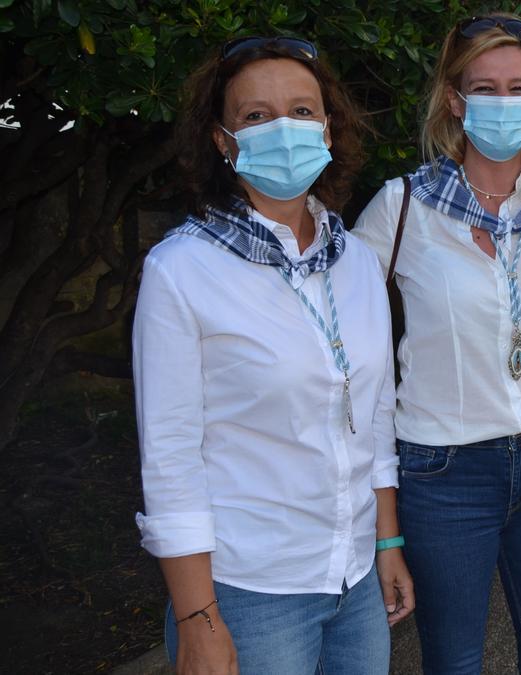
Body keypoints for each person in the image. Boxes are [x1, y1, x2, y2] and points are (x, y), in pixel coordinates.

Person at [133, 36, 413, 674]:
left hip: (355, 580)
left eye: (303, 111)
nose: (283, 128)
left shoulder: (358, 263)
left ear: (329, 130)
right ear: (223, 141)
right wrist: (197, 620)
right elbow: (170, 459)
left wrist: (386, 544)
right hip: (246, 593)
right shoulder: (182, 268)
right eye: (256, 116)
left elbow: (375, 417)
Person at [352, 14, 521, 674]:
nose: (503, 103)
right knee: (453, 662)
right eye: (485, 88)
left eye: (519, 88)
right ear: (454, 100)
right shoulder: (401, 207)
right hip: (443, 473)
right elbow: (342, 340)